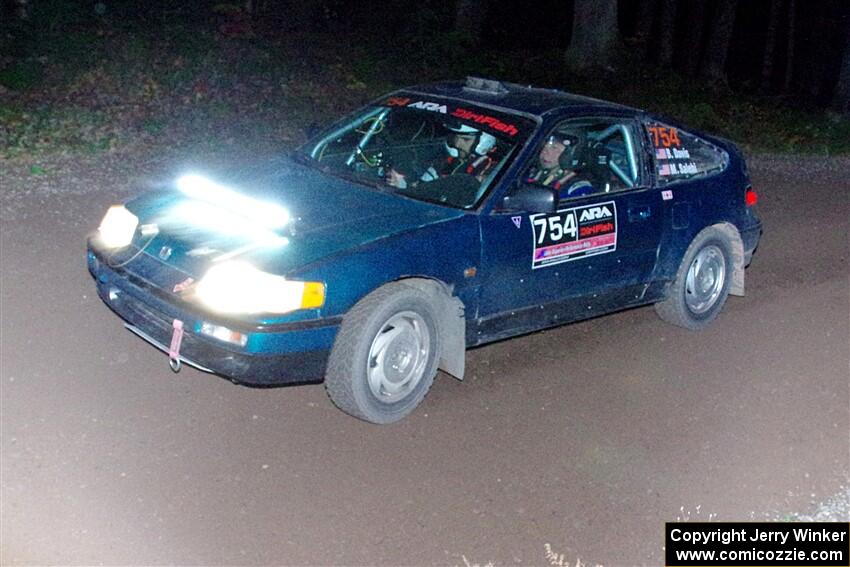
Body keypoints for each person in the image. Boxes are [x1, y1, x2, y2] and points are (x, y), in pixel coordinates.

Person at [386, 123, 498, 189]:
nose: (457, 144)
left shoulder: (492, 170)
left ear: (484, 142)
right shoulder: (446, 161)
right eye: (455, 137)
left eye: (465, 139)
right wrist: (401, 183)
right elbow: (423, 186)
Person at [526, 132, 594, 197]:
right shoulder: (529, 173)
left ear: (571, 154)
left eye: (554, 148)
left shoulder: (577, 190)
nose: (545, 152)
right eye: (544, 146)